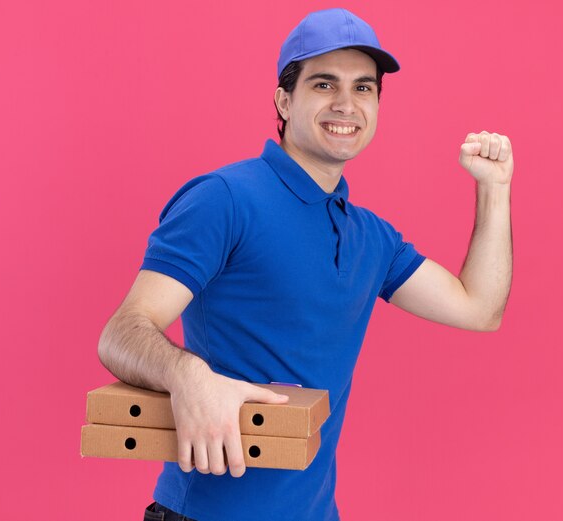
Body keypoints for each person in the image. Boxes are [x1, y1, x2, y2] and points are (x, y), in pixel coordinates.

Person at [97, 8, 513, 521]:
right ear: (284, 100)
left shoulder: (373, 237)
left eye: (364, 88)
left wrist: (494, 190)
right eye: (324, 83)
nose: (346, 103)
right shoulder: (223, 199)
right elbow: (121, 333)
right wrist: (189, 376)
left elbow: (480, 309)